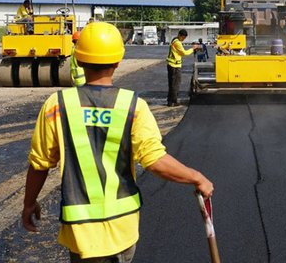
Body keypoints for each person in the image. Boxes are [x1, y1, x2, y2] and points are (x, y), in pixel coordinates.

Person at [21, 22, 214, 262]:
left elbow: (39, 163)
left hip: (80, 230)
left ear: (78, 60)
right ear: (117, 61)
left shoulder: (56, 106)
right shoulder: (133, 106)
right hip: (122, 227)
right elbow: (154, 161)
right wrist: (197, 177)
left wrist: (29, 204)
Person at [166, 30, 197, 107]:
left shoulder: (175, 40)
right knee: (175, 84)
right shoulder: (177, 43)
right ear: (179, 35)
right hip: (174, 66)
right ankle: (173, 101)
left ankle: (170, 100)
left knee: (172, 84)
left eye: (184, 38)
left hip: (172, 65)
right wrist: (193, 49)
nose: (183, 39)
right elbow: (184, 53)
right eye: (183, 37)